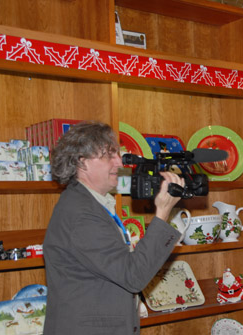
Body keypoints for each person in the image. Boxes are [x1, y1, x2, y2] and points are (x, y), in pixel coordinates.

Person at [43, 121, 184, 335]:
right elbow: (133, 275)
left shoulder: (89, 203)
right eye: (110, 155)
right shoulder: (81, 213)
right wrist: (163, 212)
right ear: (82, 163)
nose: (120, 162)